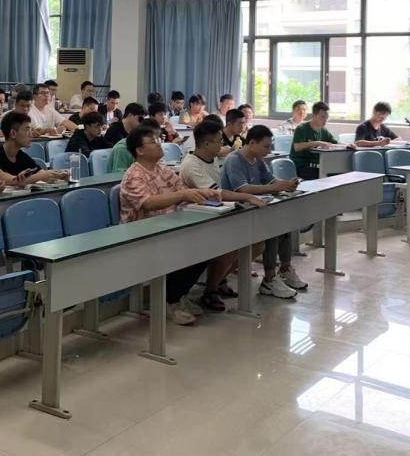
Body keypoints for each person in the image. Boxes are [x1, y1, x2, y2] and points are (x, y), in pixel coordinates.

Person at [118, 125, 221, 325]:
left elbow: (181, 189)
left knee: (206, 245)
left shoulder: (161, 169)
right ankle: (171, 301)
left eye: (158, 140)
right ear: (140, 150)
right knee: (187, 247)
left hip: (168, 227)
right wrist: (183, 194)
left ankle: (178, 295)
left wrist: (201, 194)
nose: (160, 144)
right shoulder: (133, 175)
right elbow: (148, 203)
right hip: (141, 234)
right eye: (153, 142)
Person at [179, 119, 267, 310]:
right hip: (196, 219)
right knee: (229, 247)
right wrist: (248, 196)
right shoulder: (192, 165)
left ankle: (219, 280)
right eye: (219, 141)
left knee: (257, 244)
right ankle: (210, 290)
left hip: (217, 213)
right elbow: (216, 193)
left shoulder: (213, 159)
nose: (223, 144)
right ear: (206, 143)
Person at [222, 125, 307, 298]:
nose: (269, 151)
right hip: (236, 212)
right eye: (266, 146)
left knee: (284, 227)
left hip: (256, 208)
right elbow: (242, 189)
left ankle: (285, 268)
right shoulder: (234, 160)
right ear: (252, 142)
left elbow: (270, 181)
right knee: (272, 231)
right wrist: (274, 187)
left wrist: (285, 184)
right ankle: (269, 279)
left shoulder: (258, 160)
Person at [0, 112, 70, 183]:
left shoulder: (22, 156)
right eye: (27, 130)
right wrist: (46, 175)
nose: (31, 135)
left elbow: (42, 173)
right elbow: (13, 181)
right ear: (13, 133)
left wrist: (60, 175)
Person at [290, 101, 341, 179]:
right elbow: (297, 147)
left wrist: (348, 145)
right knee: (324, 175)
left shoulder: (323, 130)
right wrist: (317, 143)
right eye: (322, 117)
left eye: (327, 118)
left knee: (337, 173)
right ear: (314, 115)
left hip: (315, 166)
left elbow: (335, 143)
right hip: (300, 167)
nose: (325, 120)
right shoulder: (301, 128)